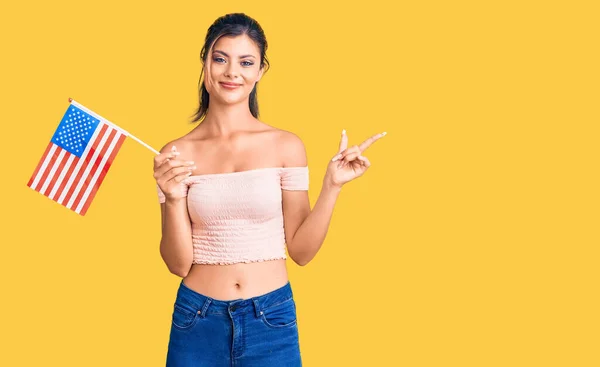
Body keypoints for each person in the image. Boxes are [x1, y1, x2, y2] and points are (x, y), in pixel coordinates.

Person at [153, 13, 385, 367]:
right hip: (196, 319)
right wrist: (171, 199)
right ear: (205, 62)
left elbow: (302, 252)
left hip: (270, 318)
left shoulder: (286, 146)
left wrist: (332, 186)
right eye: (221, 58)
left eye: (246, 62)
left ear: (260, 71)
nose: (233, 72)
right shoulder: (176, 154)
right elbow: (178, 263)